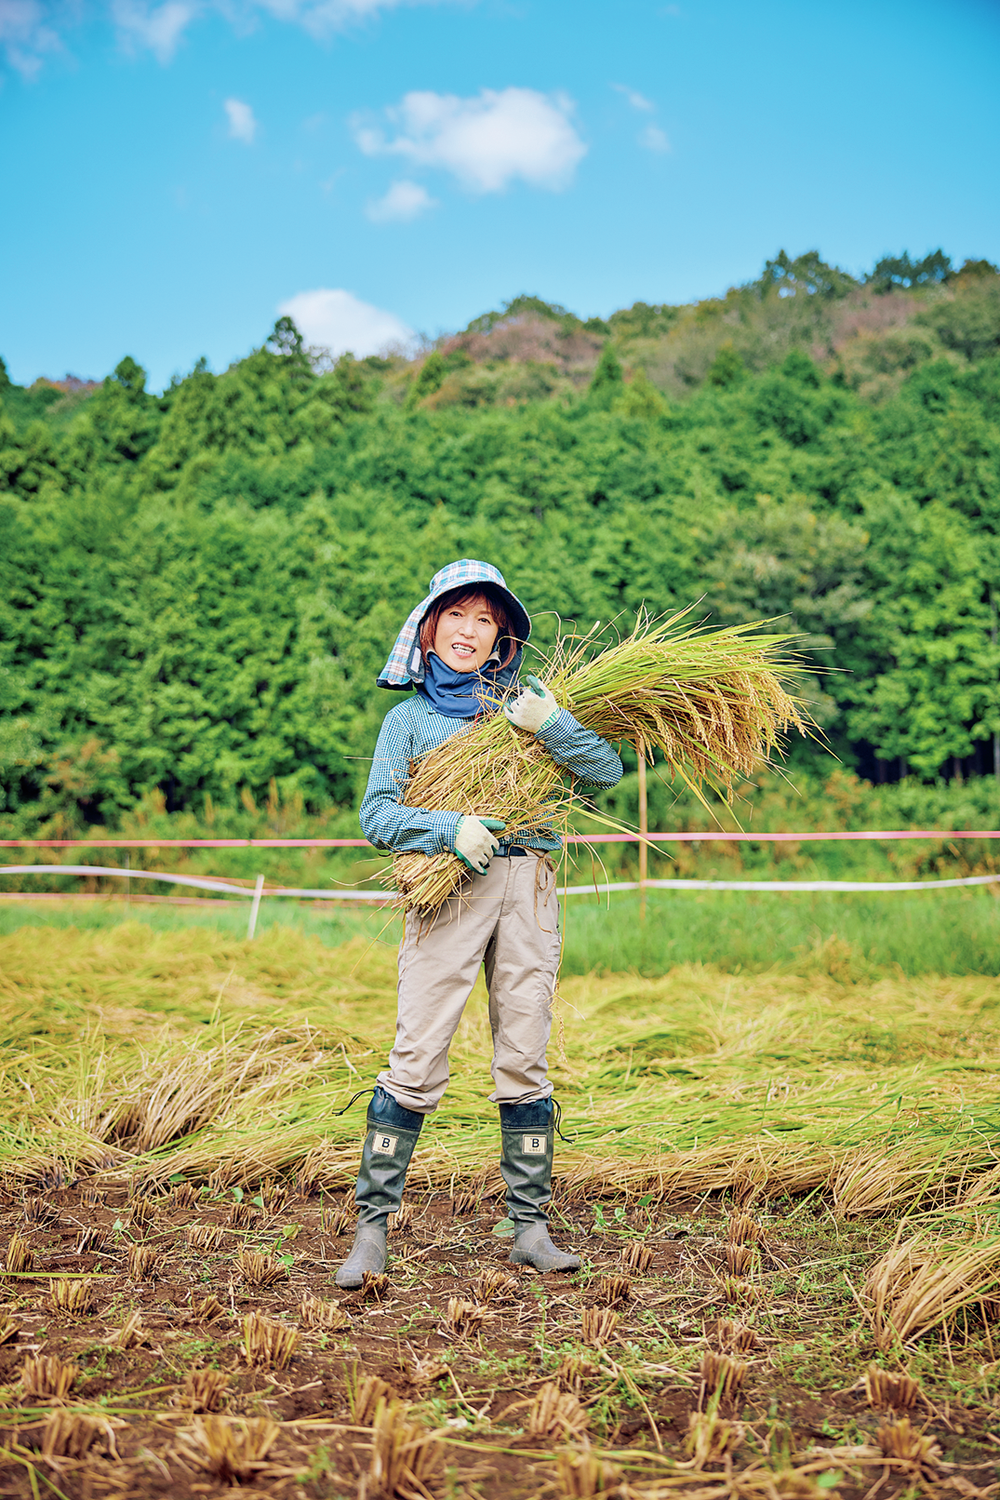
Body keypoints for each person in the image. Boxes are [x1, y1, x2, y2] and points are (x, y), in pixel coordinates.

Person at [335, 560, 623, 1289]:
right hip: (451, 889)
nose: (470, 631)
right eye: (456, 616)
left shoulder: (523, 708)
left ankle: (529, 1226)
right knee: (418, 1052)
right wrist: (448, 829)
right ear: (430, 630)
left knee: (525, 1053)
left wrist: (551, 723)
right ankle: (372, 1232)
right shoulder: (408, 721)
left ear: (501, 639)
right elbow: (376, 815)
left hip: (528, 885)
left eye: (485, 620)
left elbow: (607, 770)